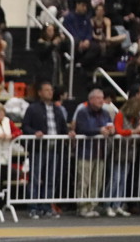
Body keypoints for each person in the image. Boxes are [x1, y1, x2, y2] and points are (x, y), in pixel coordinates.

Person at [22, 81, 67, 218]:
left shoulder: (57, 109)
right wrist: (34, 133)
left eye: (51, 90)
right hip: (39, 149)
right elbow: (25, 126)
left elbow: (63, 128)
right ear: (40, 93)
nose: (50, 92)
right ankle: (33, 207)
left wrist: (69, 134)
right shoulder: (33, 108)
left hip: (54, 149)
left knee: (51, 180)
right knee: (35, 179)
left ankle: (46, 207)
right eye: (47, 90)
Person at [73, 88, 115, 217]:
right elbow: (82, 128)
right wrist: (99, 130)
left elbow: (110, 125)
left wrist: (112, 130)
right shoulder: (82, 112)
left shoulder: (105, 113)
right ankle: (82, 206)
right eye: (98, 98)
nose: (101, 101)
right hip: (86, 152)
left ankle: (92, 205)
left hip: (101, 152)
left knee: (97, 181)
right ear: (91, 99)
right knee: (84, 181)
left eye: (102, 98)